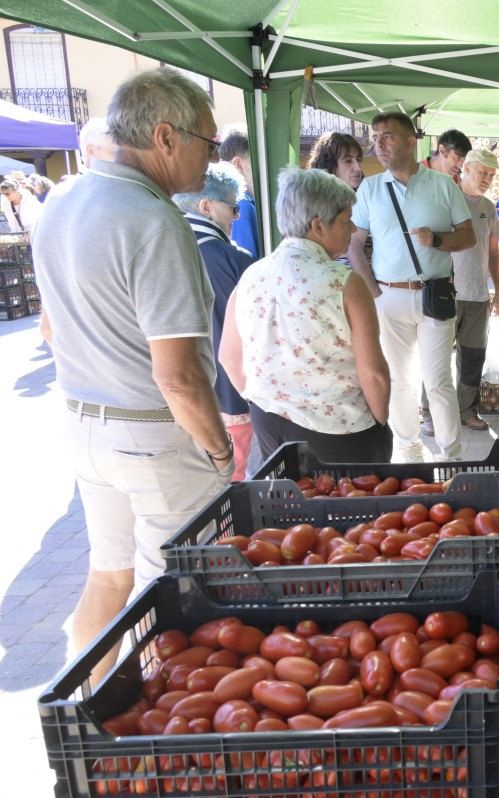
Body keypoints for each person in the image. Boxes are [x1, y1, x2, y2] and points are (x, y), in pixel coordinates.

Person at [33, 66, 233, 678]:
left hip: (84, 424)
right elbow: (178, 376)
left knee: (109, 573)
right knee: (165, 594)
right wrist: (219, 449)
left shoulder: (62, 202)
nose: (212, 155)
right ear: (167, 138)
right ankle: (151, 742)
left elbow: (48, 328)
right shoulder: (155, 221)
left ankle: (81, 707)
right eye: (208, 140)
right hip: (153, 433)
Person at [220, 167, 392, 463]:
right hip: (342, 432)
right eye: (346, 220)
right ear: (318, 226)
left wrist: (266, 401)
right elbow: (374, 374)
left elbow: (228, 358)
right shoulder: (345, 283)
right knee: (351, 508)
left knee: (289, 508)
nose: (353, 230)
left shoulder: (252, 275)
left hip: (270, 425)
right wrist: (380, 423)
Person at [348, 112, 475, 461]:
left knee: (437, 380)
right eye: (376, 137)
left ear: (409, 142)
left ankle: (452, 456)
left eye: (387, 136)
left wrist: (436, 239)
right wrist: (374, 290)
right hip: (388, 296)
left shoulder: (442, 185)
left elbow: (468, 236)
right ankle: (408, 450)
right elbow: (354, 244)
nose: (379, 143)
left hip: (434, 294)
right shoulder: (370, 189)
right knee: (400, 379)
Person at [173, 162, 256, 479]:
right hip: (230, 392)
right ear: (207, 207)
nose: (237, 217)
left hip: (177, 397)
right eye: (233, 208)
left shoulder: (166, 248)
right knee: (233, 484)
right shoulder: (234, 257)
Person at [419, 148, 499, 432]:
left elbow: (494, 255)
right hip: (446, 293)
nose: (487, 179)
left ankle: (467, 410)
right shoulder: (446, 200)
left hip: (478, 296)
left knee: (472, 359)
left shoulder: (489, 208)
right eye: (482, 173)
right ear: (466, 168)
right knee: (437, 356)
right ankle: (430, 413)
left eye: (491, 175)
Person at [217, 125, 260, 258]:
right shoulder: (242, 207)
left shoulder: (241, 204)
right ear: (238, 164)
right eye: (258, 160)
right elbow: (247, 265)